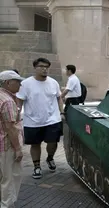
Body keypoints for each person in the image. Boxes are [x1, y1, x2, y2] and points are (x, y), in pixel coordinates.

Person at [16, 57, 64, 179]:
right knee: (35, 144)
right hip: (32, 121)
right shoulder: (26, 84)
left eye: (47, 67)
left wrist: (61, 112)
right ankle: (37, 167)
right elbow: (20, 101)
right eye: (42, 66)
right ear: (35, 68)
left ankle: (50, 158)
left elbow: (59, 98)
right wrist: (16, 115)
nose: (45, 69)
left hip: (53, 119)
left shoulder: (53, 82)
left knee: (53, 142)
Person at [0, 70, 24, 208]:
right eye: (18, 82)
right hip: (6, 146)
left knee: (3, 178)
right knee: (9, 180)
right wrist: (18, 149)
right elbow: (10, 128)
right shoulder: (8, 101)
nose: (20, 85)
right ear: (8, 83)